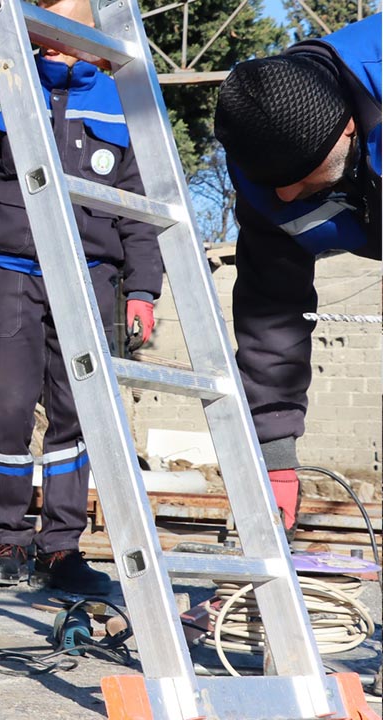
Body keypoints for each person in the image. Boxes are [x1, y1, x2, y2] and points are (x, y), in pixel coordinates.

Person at [0, 0, 163, 594]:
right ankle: (8, 538)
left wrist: (142, 289)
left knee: (77, 415)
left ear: (93, 43)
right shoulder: (4, 90)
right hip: (8, 274)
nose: (54, 46)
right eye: (46, 36)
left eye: (68, 36)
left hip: (91, 279)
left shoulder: (121, 101)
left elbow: (141, 209)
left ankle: (61, 549)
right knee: (8, 410)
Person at [213, 13, 380, 532]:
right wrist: (274, 454)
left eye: (302, 181)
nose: (286, 197)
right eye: (275, 184)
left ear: (349, 129)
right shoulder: (263, 152)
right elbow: (271, 309)